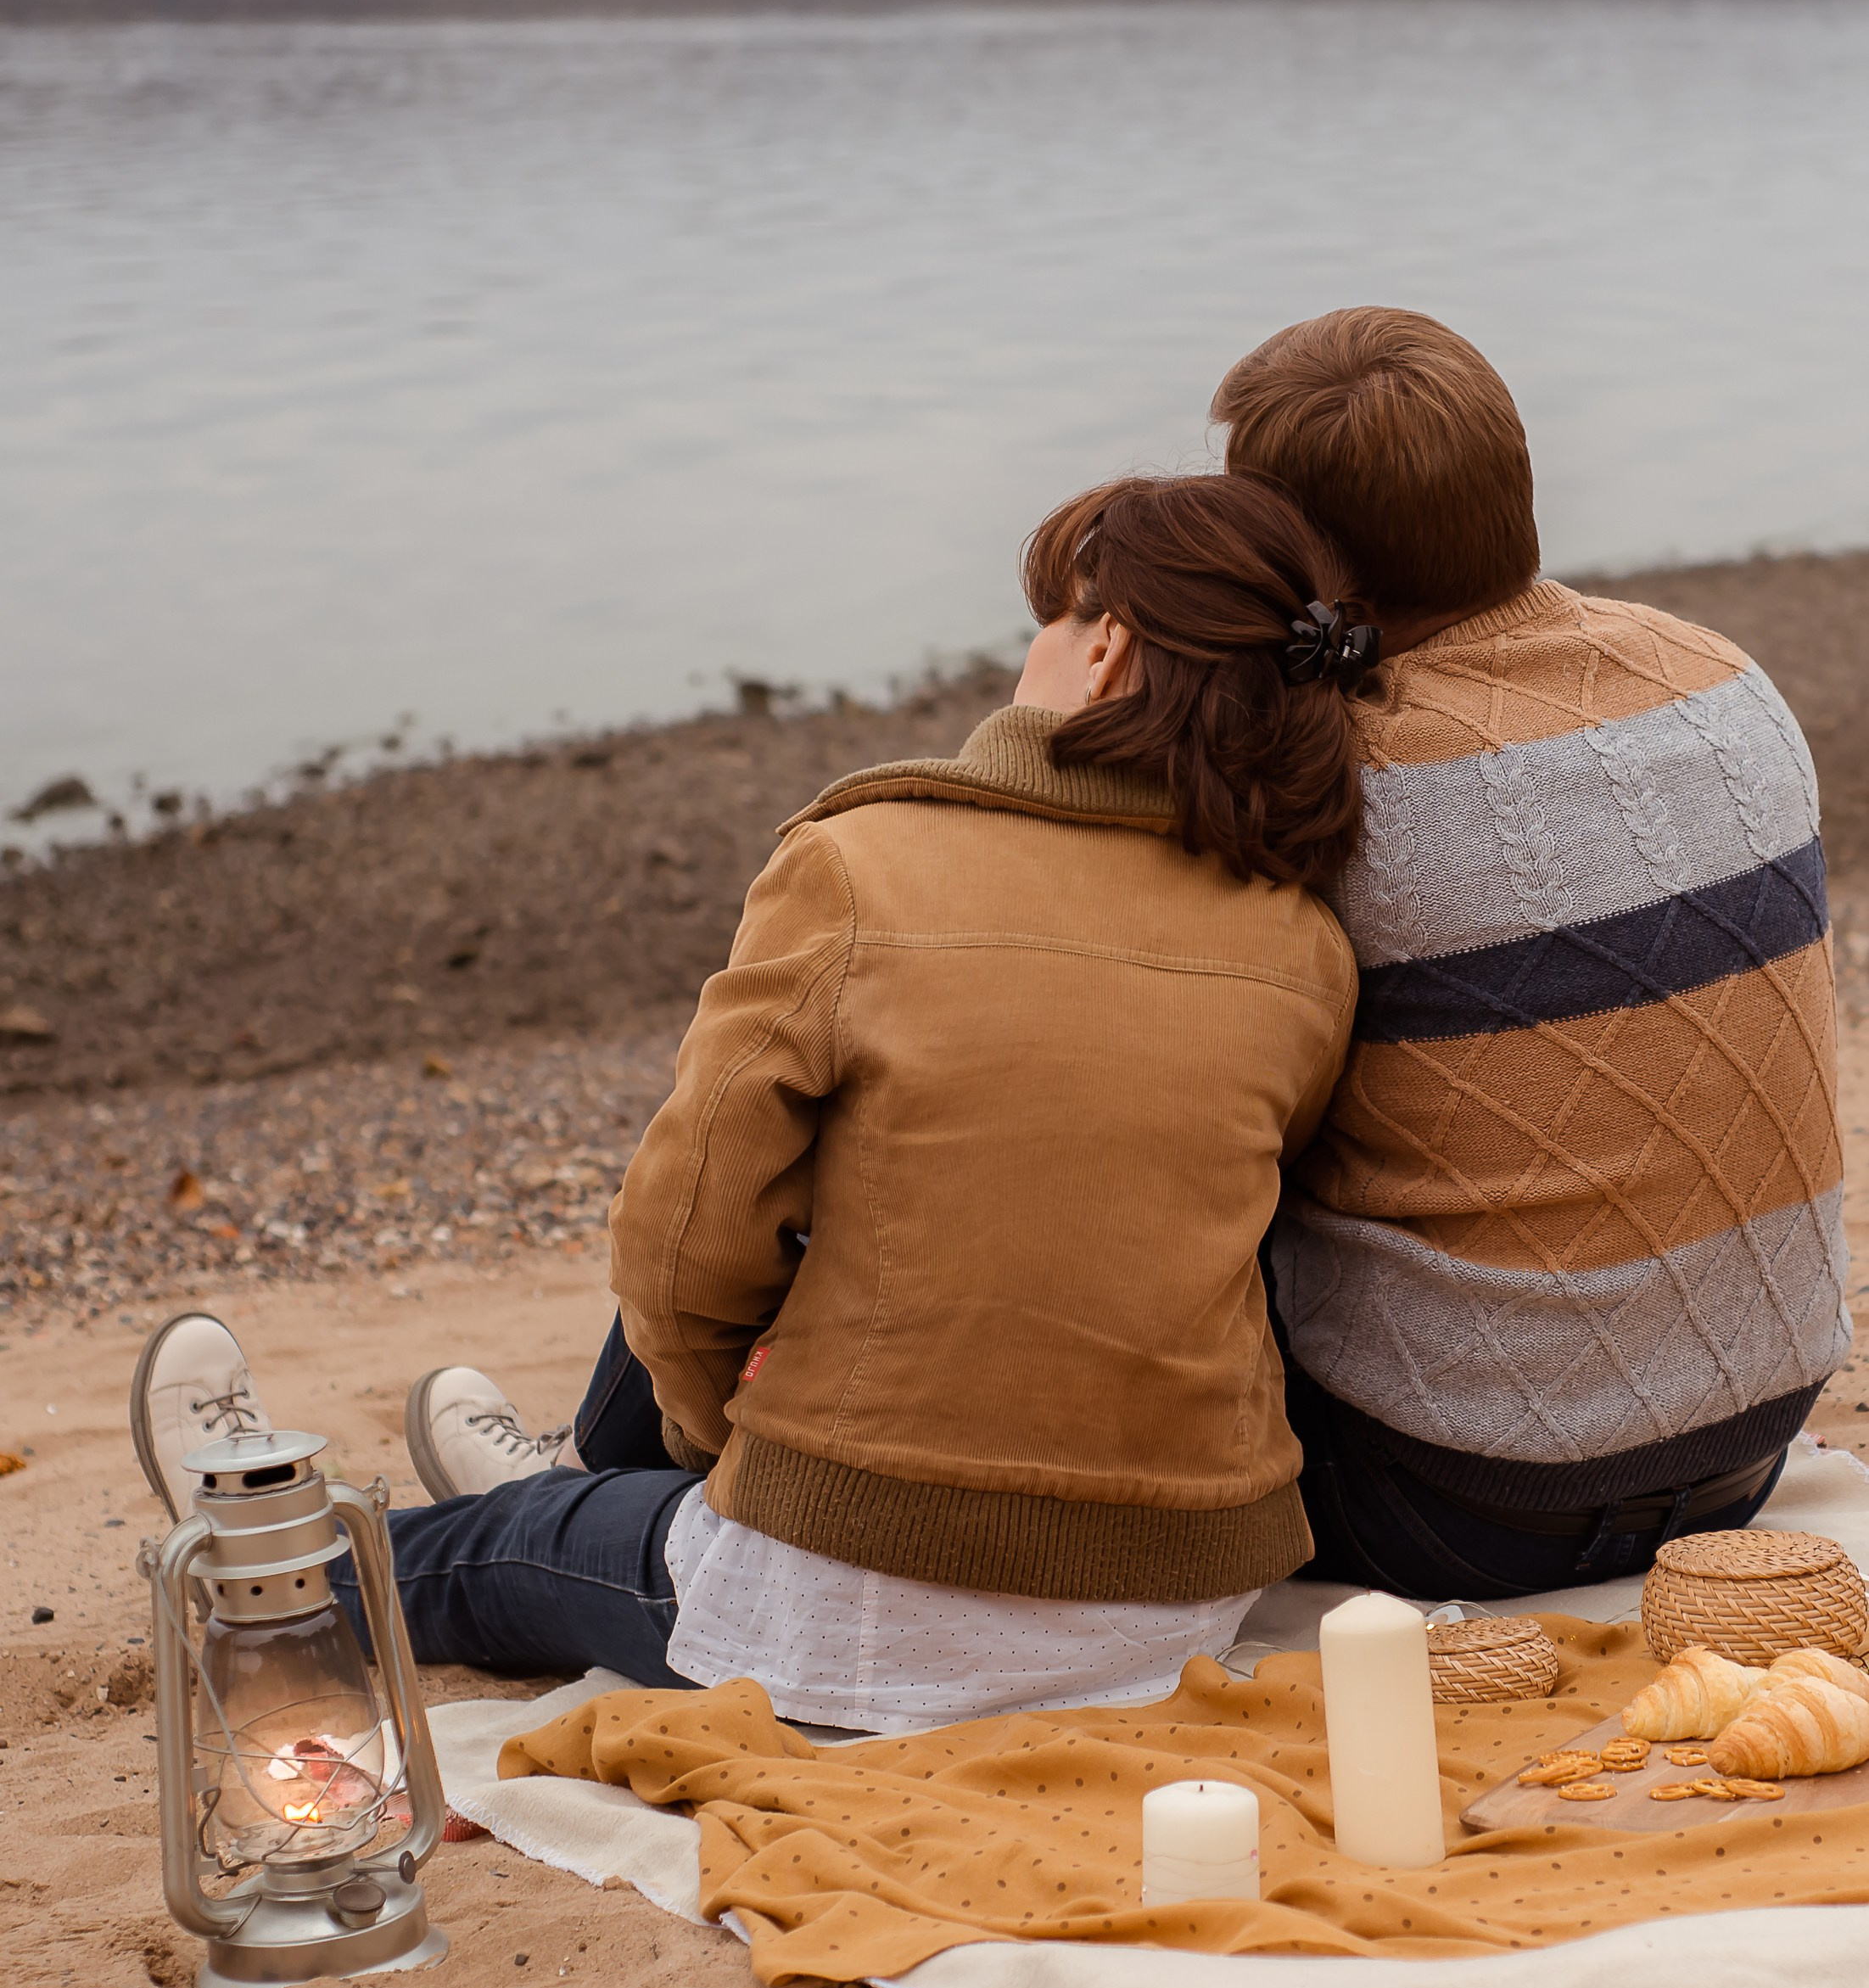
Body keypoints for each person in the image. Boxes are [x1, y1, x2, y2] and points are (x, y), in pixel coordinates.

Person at [131, 473, 1372, 1728]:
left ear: (1107, 649)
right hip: (1174, 1609)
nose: (1028, 647)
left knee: (481, 1554)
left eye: (1048, 618)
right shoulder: (1305, 952)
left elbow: (675, 1255)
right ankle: (576, 1473)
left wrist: (721, 1443)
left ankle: (266, 1556)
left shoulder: (861, 865)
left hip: (862, 1613)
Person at [1211, 305, 1849, 1599]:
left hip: (1453, 1505)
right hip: (1751, 1452)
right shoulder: (1724, 678)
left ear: (1299, 556)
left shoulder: (1338, 788)